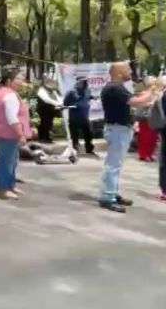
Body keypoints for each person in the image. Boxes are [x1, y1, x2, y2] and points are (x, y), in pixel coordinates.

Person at [98, 62, 153, 213]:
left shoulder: (117, 88)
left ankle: (113, 194)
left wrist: (148, 92)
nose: (130, 71)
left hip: (119, 129)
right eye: (127, 69)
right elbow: (137, 102)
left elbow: (136, 97)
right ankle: (107, 198)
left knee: (115, 165)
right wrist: (154, 89)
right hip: (117, 130)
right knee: (113, 165)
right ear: (119, 73)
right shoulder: (114, 88)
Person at [0, 67, 30, 200]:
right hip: (8, 133)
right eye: (18, 78)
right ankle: (2, 190)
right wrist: (20, 134)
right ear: (9, 80)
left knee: (11, 161)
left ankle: (10, 185)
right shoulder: (9, 95)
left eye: (22, 78)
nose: (21, 81)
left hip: (4, 133)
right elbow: (12, 118)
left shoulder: (3, 92)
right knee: (6, 162)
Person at [64, 77, 96, 155]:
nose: (83, 83)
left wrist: (93, 97)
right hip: (74, 117)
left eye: (85, 82)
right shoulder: (71, 92)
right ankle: (75, 150)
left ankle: (89, 149)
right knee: (74, 135)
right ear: (77, 82)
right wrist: (74, 105)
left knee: (88, 134)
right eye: (81, 82)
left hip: (84, 116)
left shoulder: (87, 90)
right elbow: (65, 103)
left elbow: (88, 97)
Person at [135, 76, 159, 162]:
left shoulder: (156, 94)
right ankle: (144, 154)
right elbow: (139, 104)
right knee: (145, 137)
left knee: (153, 137)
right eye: (153, 83)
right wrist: (150, 104)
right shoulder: (144, 93)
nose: (155, 86)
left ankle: (149, 154)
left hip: (154, 118)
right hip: (145, 118)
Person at [35, 77, 63, 143]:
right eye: (52, 83)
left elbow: (58, 98)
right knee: (44, 123)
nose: (54, 84)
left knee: (49, 124)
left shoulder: (53, 91)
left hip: (51, 110)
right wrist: (57, 103)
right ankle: (42, 138)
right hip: (44, 110)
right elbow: (46, 99)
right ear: (47, 83)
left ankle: (47, 138)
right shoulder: (41, 90)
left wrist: (60, 103)